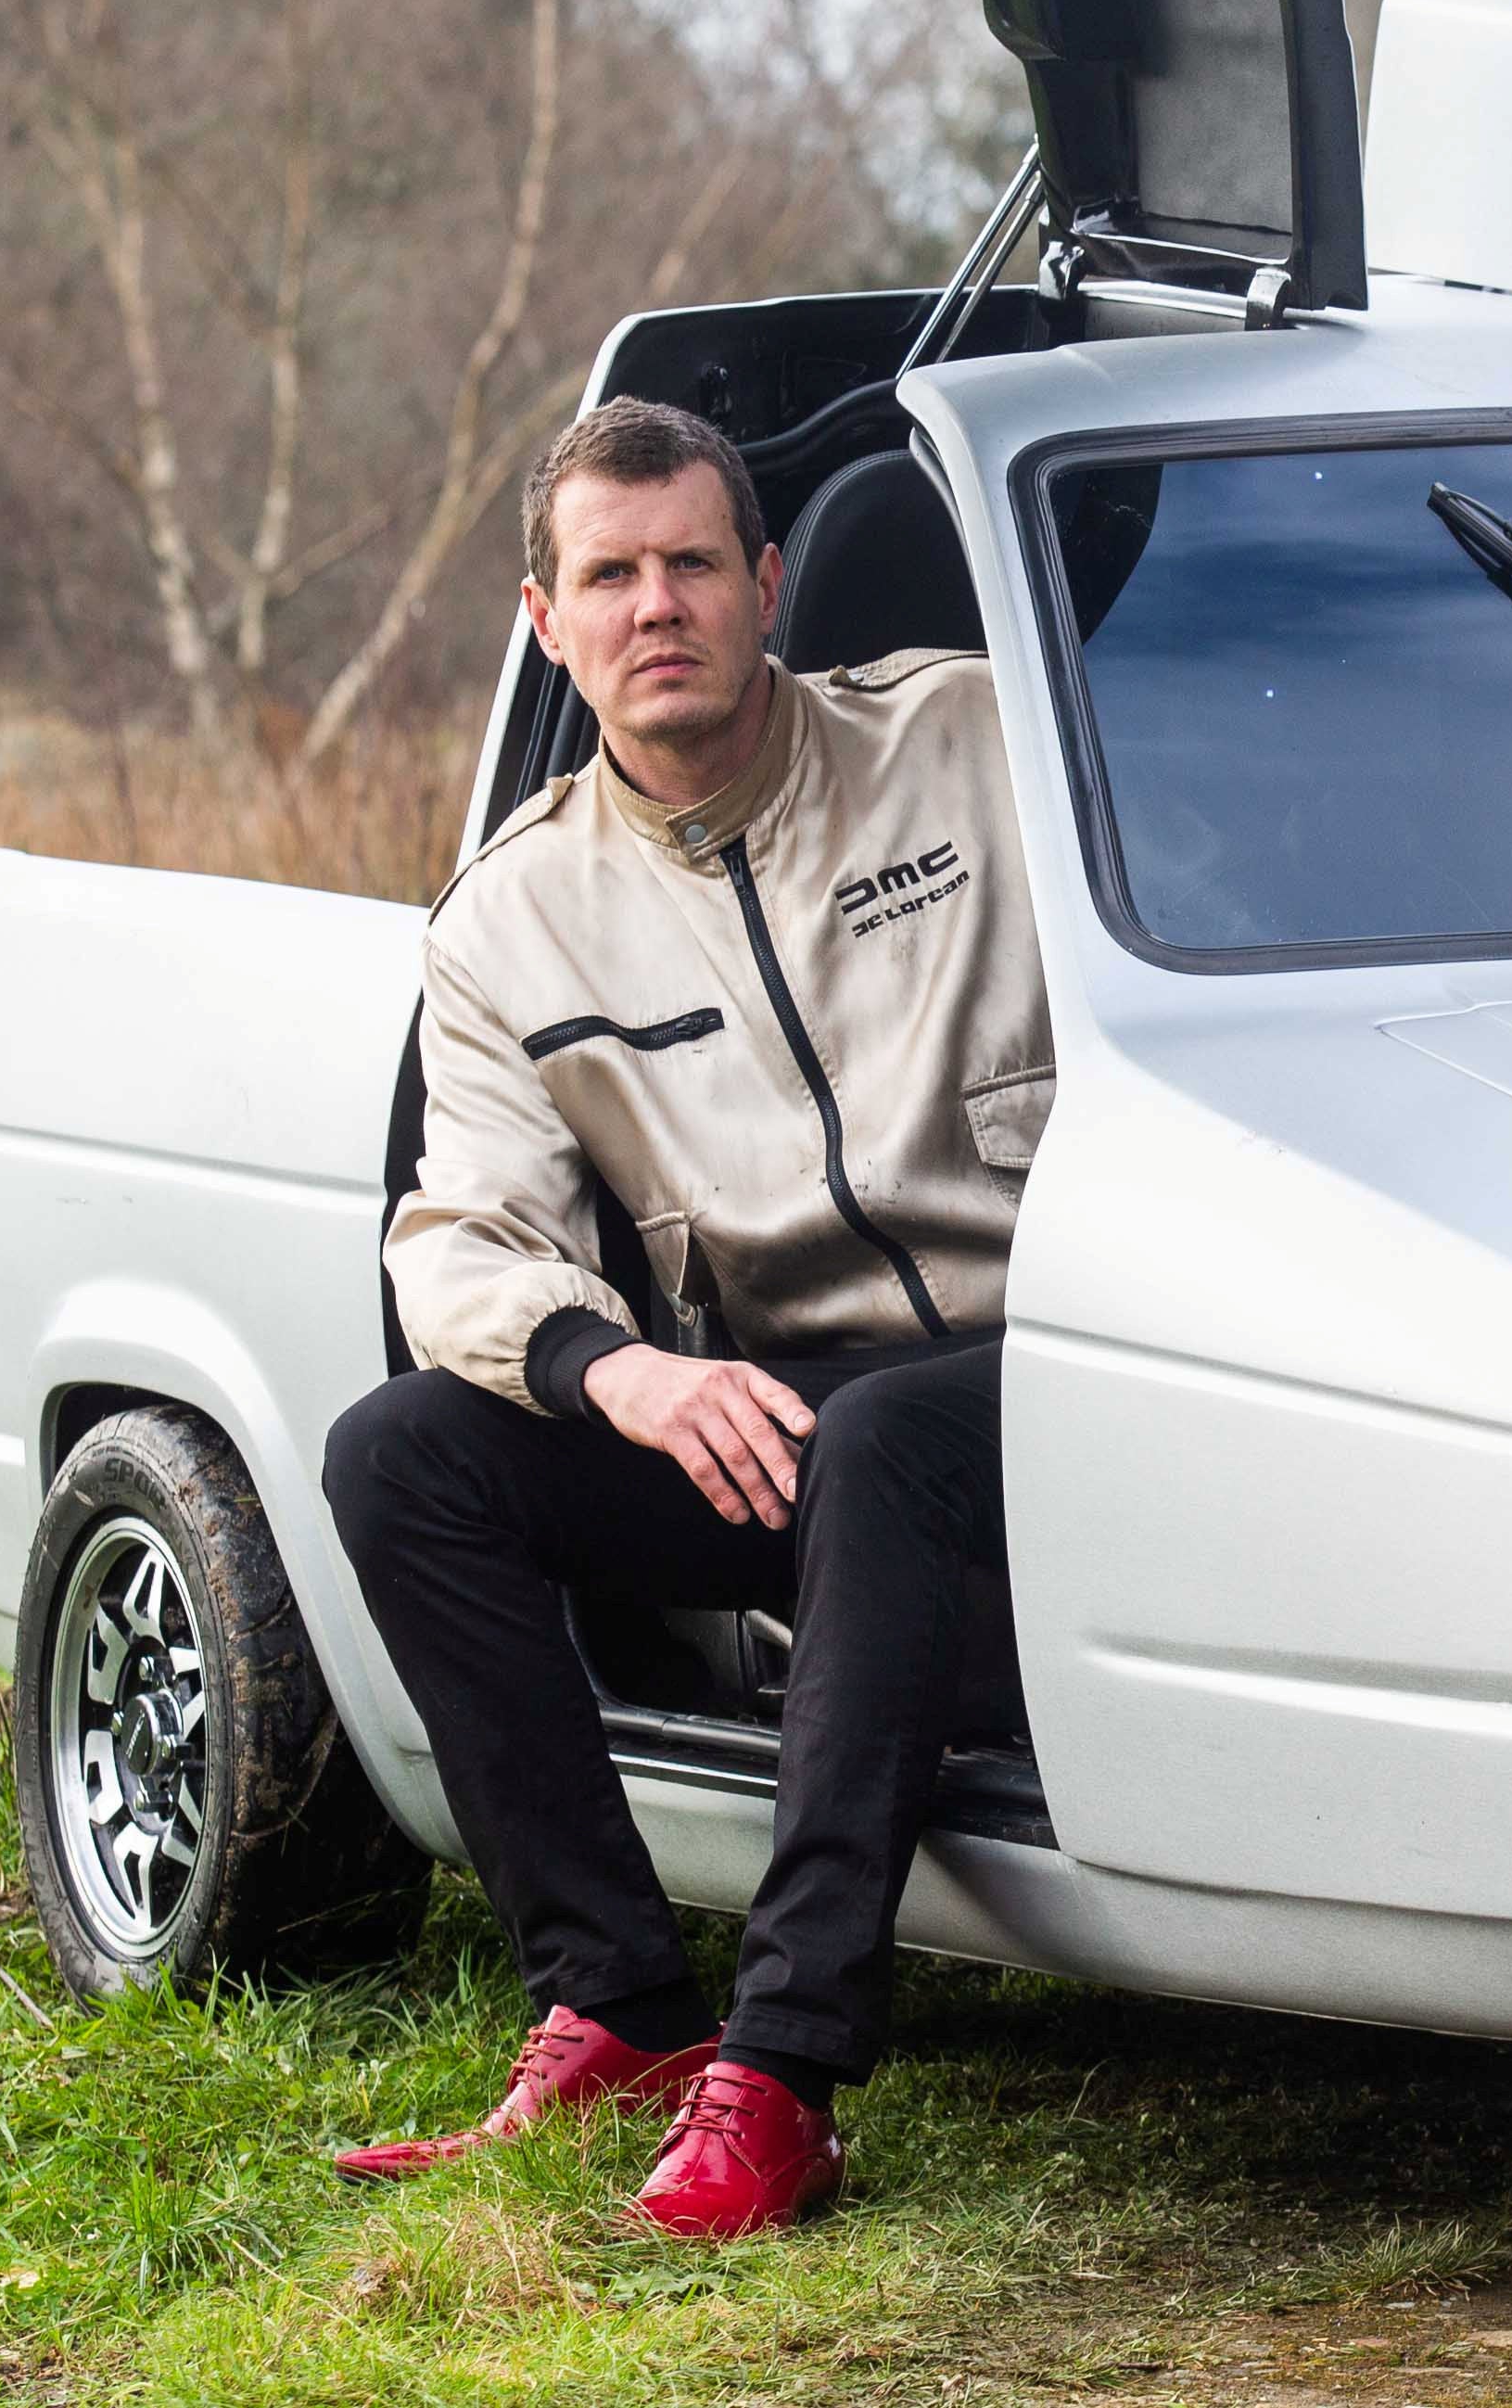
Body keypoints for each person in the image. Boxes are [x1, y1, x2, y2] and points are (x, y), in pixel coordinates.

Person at [321, 395, 1048, 2240]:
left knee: (888, 1431)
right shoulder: (511, 923)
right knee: (403, 1452)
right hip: (807, 1428)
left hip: (1071, 1377)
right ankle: (622, 2005)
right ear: (544, 619)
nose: (659, 606)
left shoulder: (975, 743)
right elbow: (457, 1240)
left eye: (694, 564)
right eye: (613, 575)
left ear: (767, 582)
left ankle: (785, 2073)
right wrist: (620, 1369)